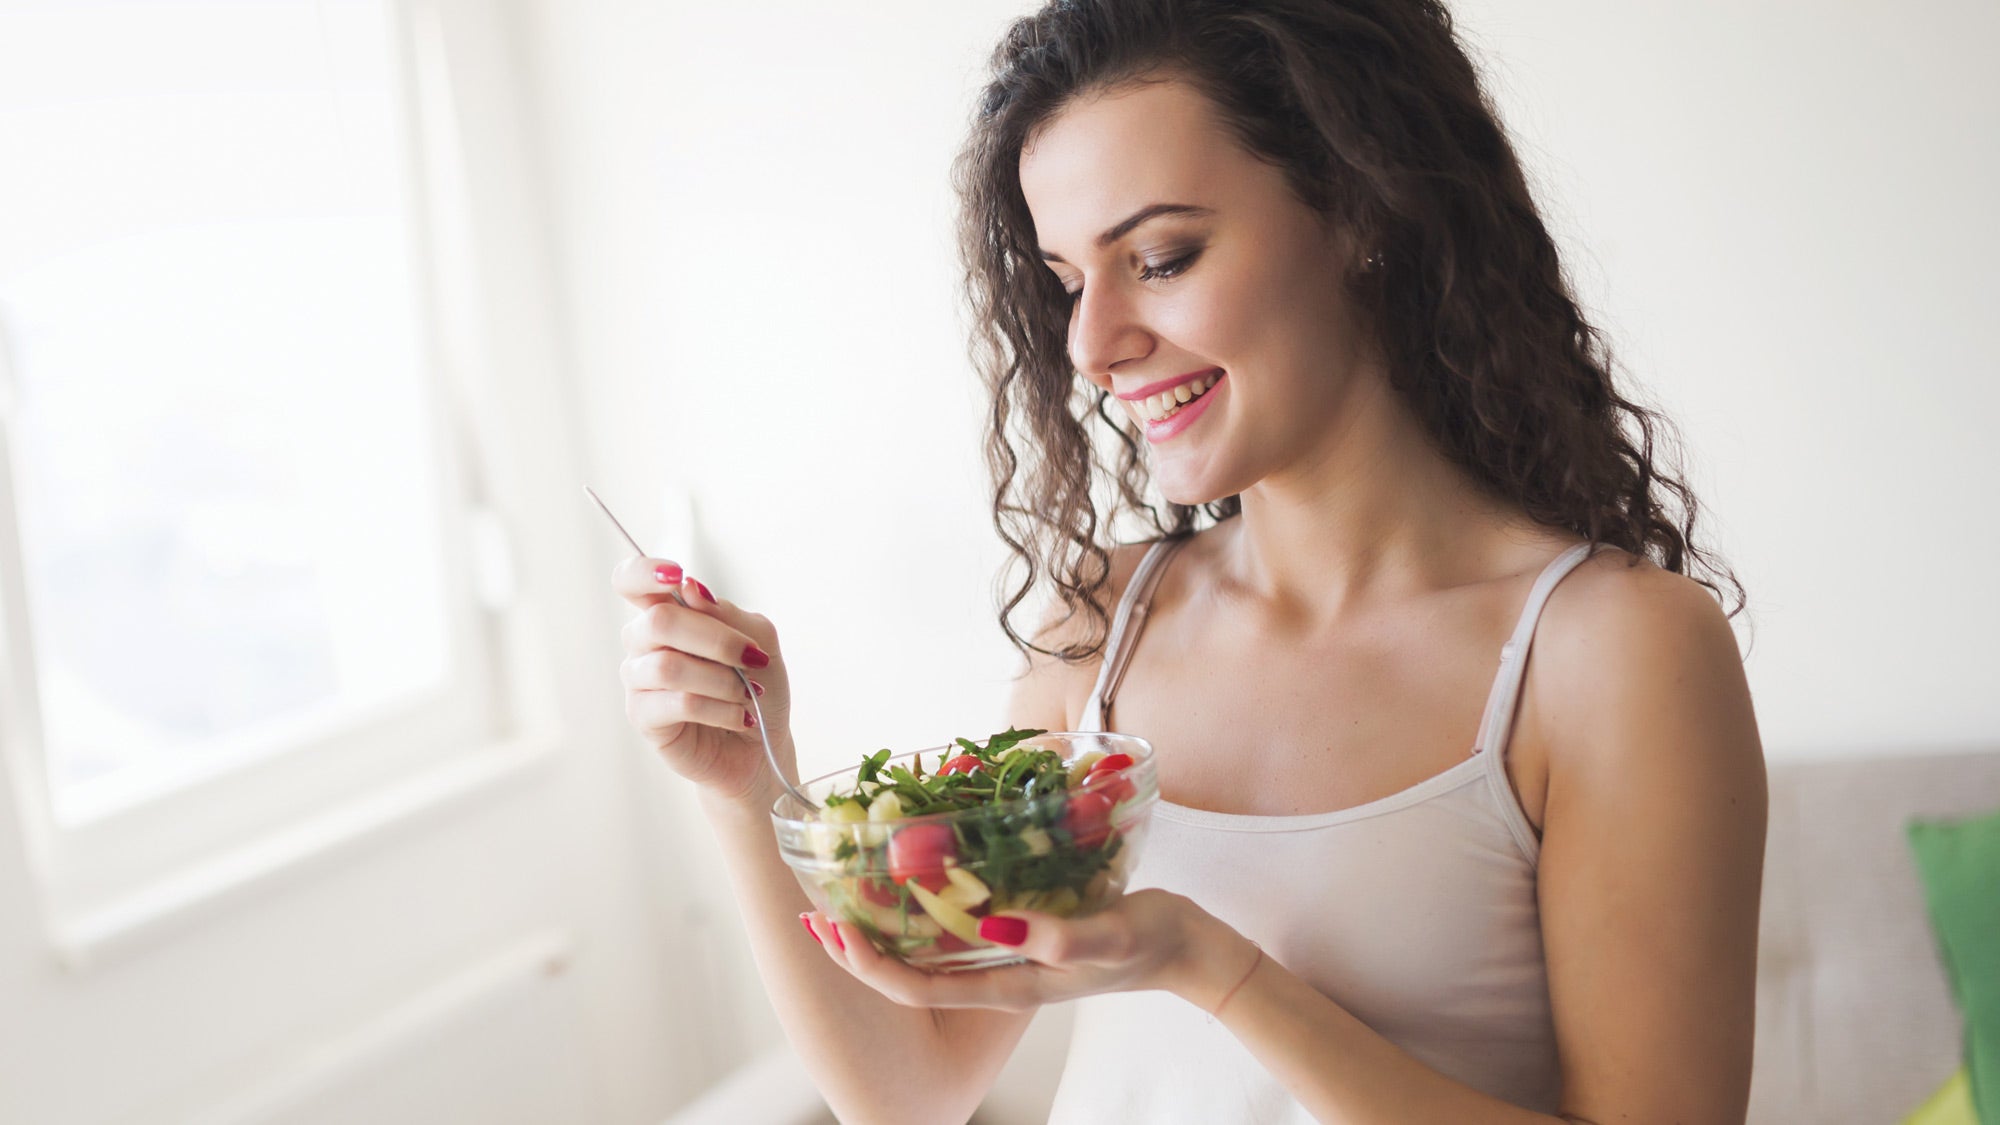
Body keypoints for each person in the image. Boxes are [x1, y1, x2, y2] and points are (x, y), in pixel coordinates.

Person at [610, 0, 1768, 1121]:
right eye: (1066, 282)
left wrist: (1215, 970)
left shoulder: (1609, 650)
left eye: (1159, 258)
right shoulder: (1101, 626)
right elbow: (913, 1093)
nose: (1091, 344)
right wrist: (744, 788)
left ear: (1360, 211)